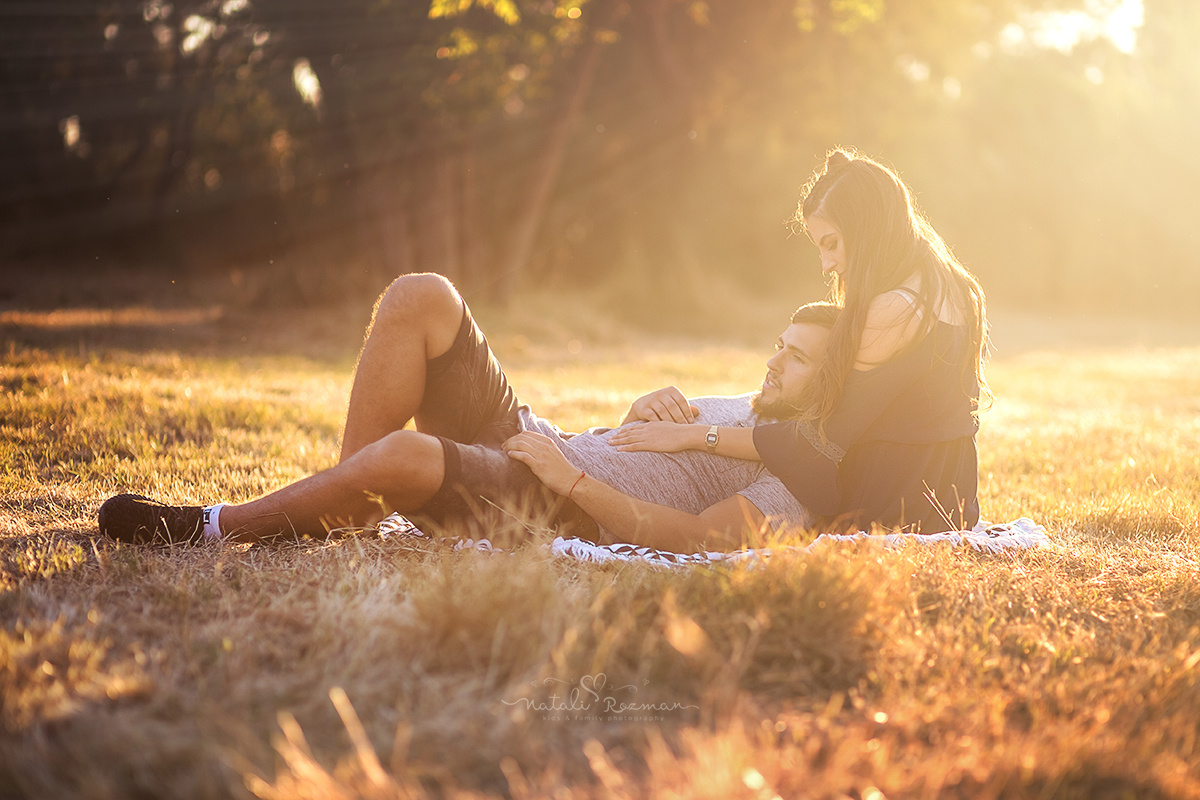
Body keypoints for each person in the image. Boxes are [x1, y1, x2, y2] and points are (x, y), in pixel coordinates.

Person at [97, 273, 838, 553]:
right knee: (423, 297)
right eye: (779, 344)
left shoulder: (802, 472)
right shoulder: (748, 405)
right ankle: (343, 501)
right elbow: (640, 453)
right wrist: (636, 416)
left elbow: (703, 541)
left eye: (798, 358)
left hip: (554, 502)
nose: (775, 361)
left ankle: (211, 527)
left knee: (406, 461)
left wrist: (572, 483)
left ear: (834, 387)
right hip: (545, 440)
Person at [601, 147, 989, 533]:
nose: (827, 264)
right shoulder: (950, 286)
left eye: (832, 243)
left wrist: (692, 435)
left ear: (867, 230)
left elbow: (815, 444)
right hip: (950, 495)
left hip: (894, 504)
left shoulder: (891, 310)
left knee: (743, 462)